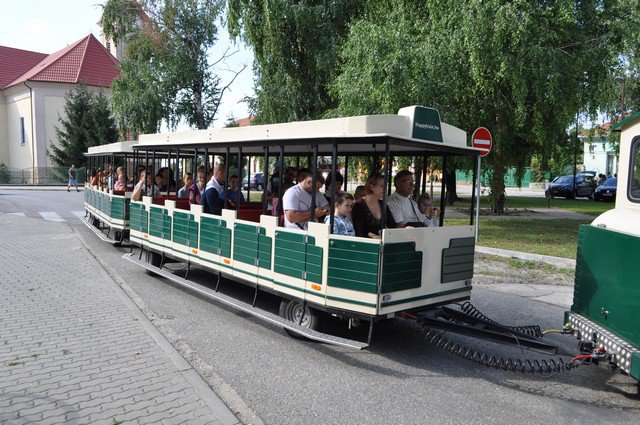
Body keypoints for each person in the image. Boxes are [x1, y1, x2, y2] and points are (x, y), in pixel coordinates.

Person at [352, 173, 396, 238]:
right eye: (382, 186)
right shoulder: (359, 205)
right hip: (366, 242)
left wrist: (405, 229)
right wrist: (372, 236)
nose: (385, 189)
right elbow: (358, 231)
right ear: (372, 187)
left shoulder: (383, 204)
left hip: (382, 240)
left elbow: (392, 225)